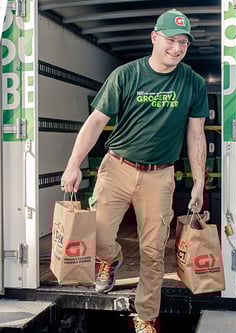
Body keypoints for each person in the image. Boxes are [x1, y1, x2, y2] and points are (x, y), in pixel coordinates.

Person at [61, 9, 208, 333]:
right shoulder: (126, 75)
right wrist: (73, 165)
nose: (177, 48)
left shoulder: (193, 83)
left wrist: (199, 183)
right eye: (171, 40)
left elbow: (196, 135)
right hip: (117, 168)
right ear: (155, 37)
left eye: (183, 42)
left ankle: (144, 315)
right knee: (98, 234)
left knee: (154, 251)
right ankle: (109, 259)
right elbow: (96, 122)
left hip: (160, 175)